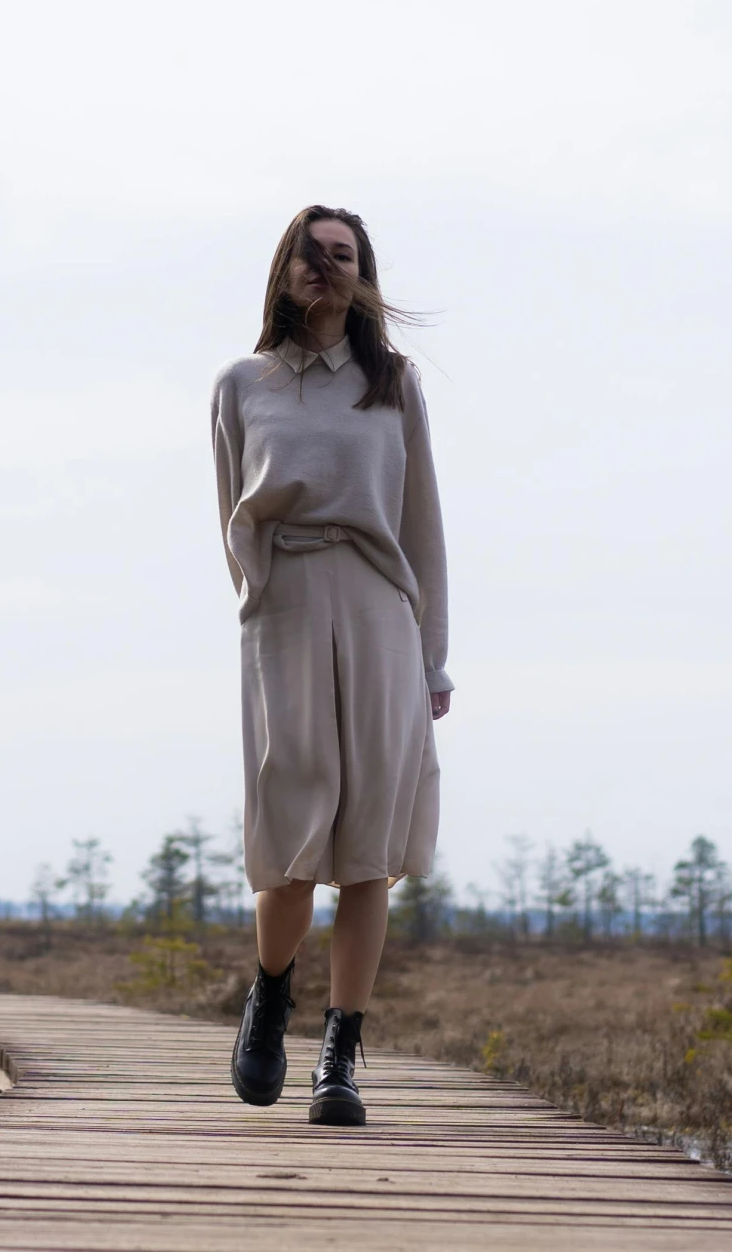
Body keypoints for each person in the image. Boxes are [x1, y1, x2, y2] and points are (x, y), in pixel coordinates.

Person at [210, 205, 451, 1126]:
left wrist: (433, 659)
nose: (325, 267)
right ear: (283, 272)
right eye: (310, 254)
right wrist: (260, 601)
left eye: (341, 255)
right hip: (286, 608)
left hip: (383, 606)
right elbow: (232, 511)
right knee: (293, 821)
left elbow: (424, 524)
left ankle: (340, 1056)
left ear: (363, 275)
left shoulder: (394, 386)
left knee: (369, 848)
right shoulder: (243, 384)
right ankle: (270, 993)